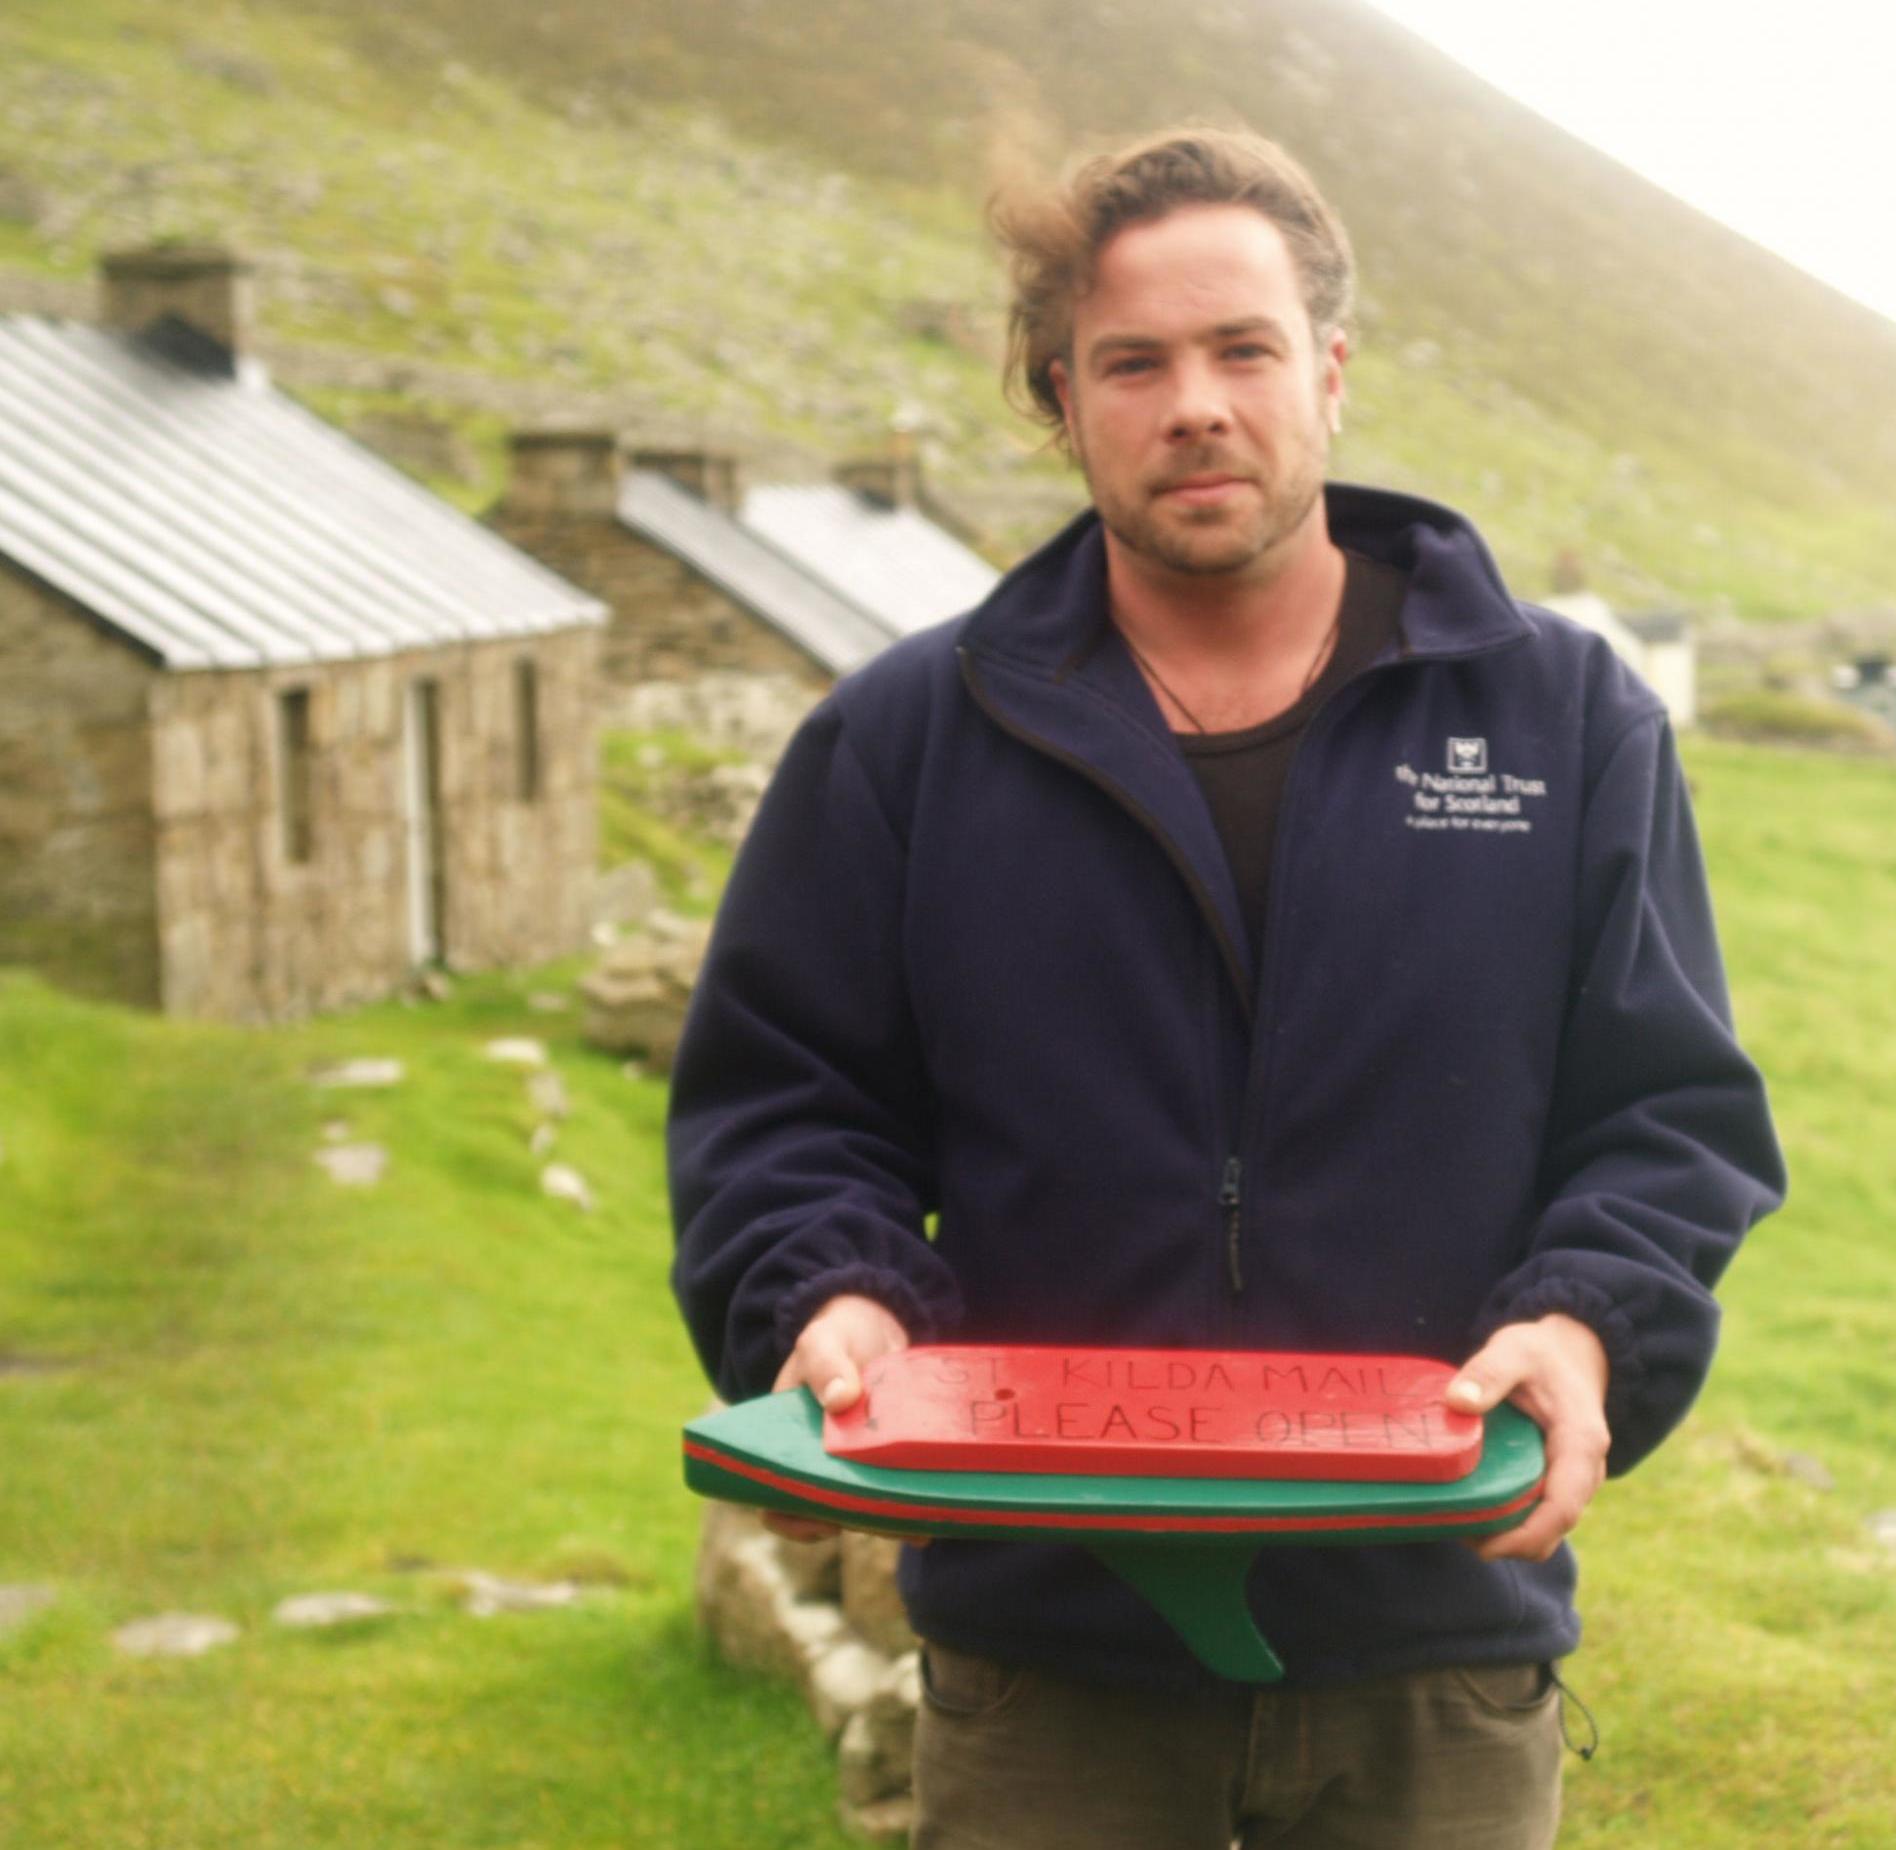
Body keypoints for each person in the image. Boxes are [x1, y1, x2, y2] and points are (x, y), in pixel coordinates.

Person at [669, 126, 1786, 1849]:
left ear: (1329, 376)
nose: (1196, 401)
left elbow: (1665, 1113)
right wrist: (828, 1292)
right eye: (1134, 361)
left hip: (1441, 1650)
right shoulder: (907, 739)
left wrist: (1586, 1320)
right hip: (1048, 1668)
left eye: (1243, 349)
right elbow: (784, 1106)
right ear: (1061, 398)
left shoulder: (1563, 720)